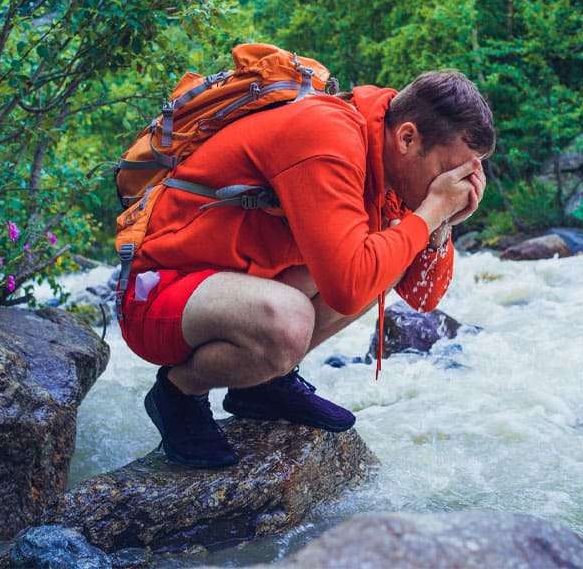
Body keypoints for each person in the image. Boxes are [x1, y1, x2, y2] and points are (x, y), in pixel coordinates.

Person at [118, 69, 495, 467]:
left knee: (389, 256)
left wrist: (441, 225)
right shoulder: (328, 136)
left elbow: (422, 297)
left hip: (235, 290)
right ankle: (178, 393)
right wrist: (433, 210)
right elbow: (349, 287)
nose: (456, 185)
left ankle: (262, 385)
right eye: (450, 171)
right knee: (291, 319)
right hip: (159, 296)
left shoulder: (391, 166)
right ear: (407, 138)